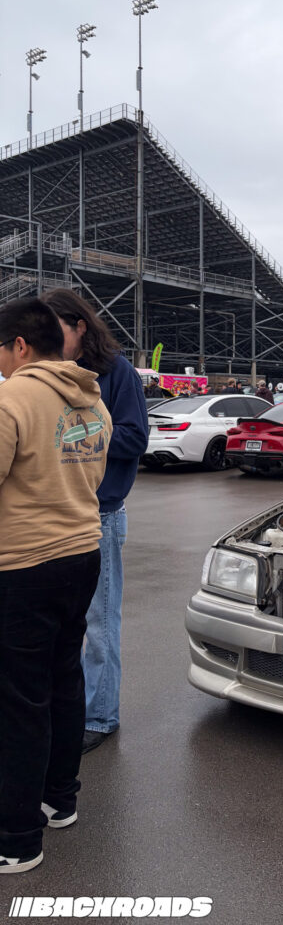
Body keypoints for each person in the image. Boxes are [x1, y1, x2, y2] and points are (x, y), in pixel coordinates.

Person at [0, 298, 111, 873]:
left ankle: (17, 838)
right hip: (81, 555)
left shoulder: (12, 397)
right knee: (63, 680)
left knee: (19, 699)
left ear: (20, 345)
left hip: (22, 565)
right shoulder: (92, 400)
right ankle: (57, 800)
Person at [42, 289, 149, 754]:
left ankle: (100, 716)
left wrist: (76, 431)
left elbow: (134, 437)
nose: (47, 340)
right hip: (54, 516)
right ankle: (66, 708)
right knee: (57, 625)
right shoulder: (45, 377)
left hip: (99, 516)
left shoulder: (115, 373)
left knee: (99, 624)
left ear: (80, 326)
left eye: (56, 330)